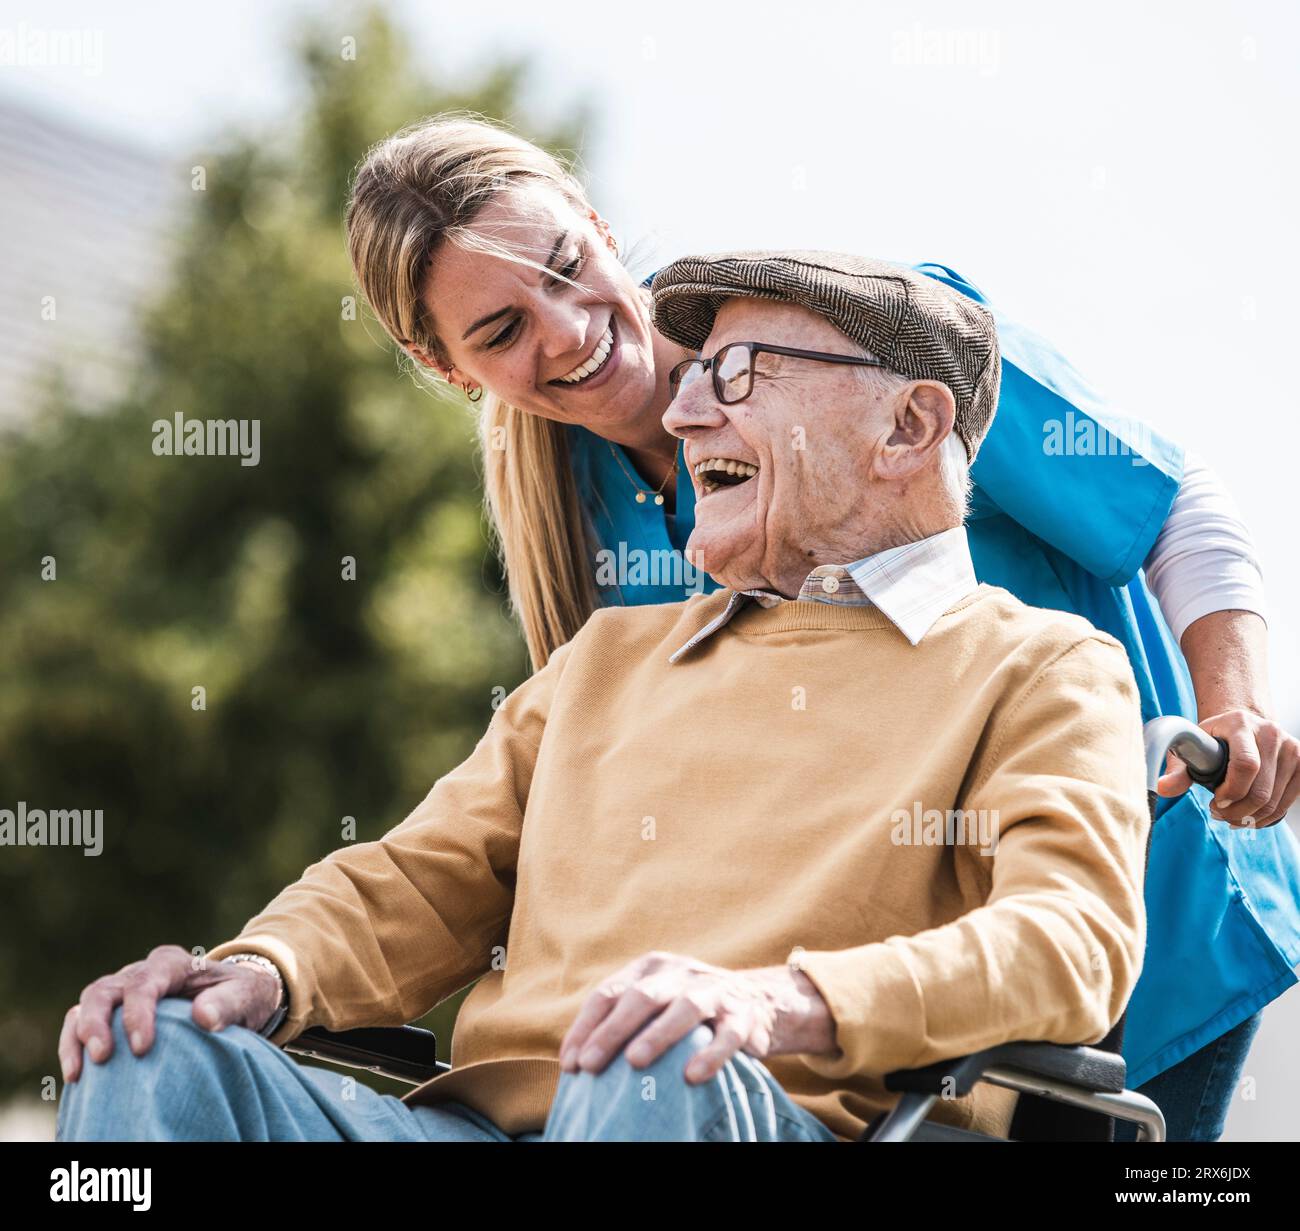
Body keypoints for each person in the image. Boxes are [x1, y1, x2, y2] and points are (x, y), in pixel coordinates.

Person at [339, 114, 1300, 1140]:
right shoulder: (575, 514)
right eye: (498, 331)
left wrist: (1233, 706)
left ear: (597, 226)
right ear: (445, 367)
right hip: (863, 1011)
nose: (566, 329)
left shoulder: (860, 338)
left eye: (566, 267)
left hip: (1149, 905)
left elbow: (1166, 499)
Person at [59, 252, 1151, 1142]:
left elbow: (1072, 939)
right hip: (478, 1133)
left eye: (737, 375)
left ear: (907, 428)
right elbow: (417, 881)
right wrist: (257, 968)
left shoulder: (1041, 667)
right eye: (691, 378)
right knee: (150, 1044)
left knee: (654, 1062)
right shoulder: (603, 661)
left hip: (740, 1113)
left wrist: (777, 1003)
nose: (680, 416)